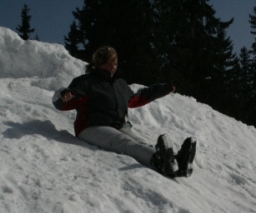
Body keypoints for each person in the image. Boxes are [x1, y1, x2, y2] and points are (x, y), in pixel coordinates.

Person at [52, 46, 196, 177]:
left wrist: (163, 89)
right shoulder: (86, 81)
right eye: (109, 63)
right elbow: (66, 100)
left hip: (117, 126)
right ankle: (160, 162)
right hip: (91, 127)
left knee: (143, 143)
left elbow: (136, 99)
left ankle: (177, 162)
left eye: (115, 63)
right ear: (98, 64)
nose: (113, 67)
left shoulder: (119, 84)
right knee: (127, 144)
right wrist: (64, 96)